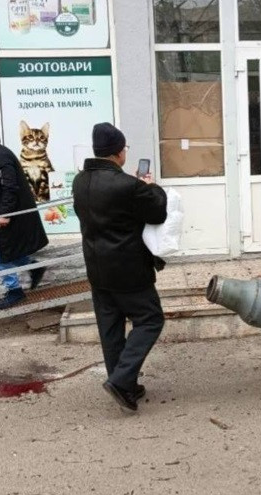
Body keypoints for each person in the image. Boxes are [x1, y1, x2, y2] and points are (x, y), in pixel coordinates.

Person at [72, 123, 168, 412]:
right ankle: (121, 379)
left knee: (110, 327)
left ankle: (124, 384)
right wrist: (151, 188)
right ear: (117, 152)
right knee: (150, 319)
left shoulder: (80, 181)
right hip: (128, 268)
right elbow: (158, 211)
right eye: (125, 149)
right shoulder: (128, 185)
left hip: (97, 268)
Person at [0, 122, 48, 310]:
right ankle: (32, 266)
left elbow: (10, 187)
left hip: (7, 215)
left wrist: (5, 214)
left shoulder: (1, 156)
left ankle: (15, 291)